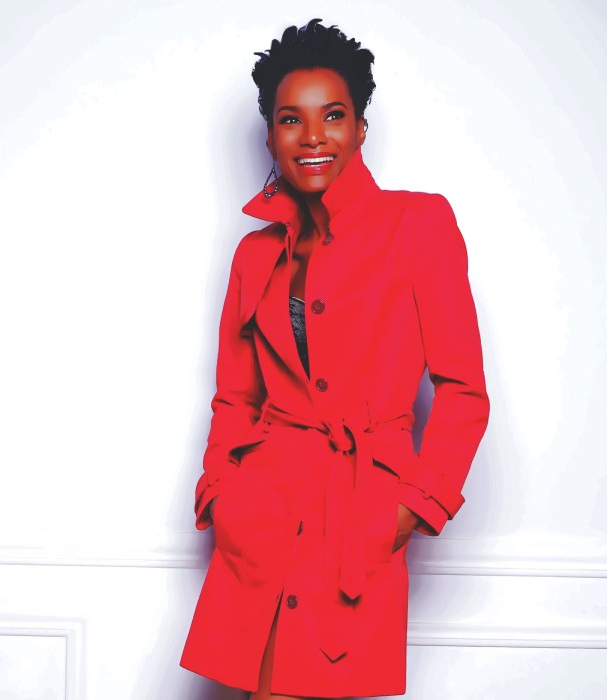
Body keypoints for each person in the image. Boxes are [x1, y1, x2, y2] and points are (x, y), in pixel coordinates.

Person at [180, 18, 490, 700]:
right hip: (262, 516)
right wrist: (222, 495)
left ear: (360, 128)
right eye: (291, 118)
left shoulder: (419, 225)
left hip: (357, 516)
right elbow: (236, 397)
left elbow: (464, 392)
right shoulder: (254, 254)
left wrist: (407, 510)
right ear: (270, 136)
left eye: (334, 115)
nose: (313, 136)